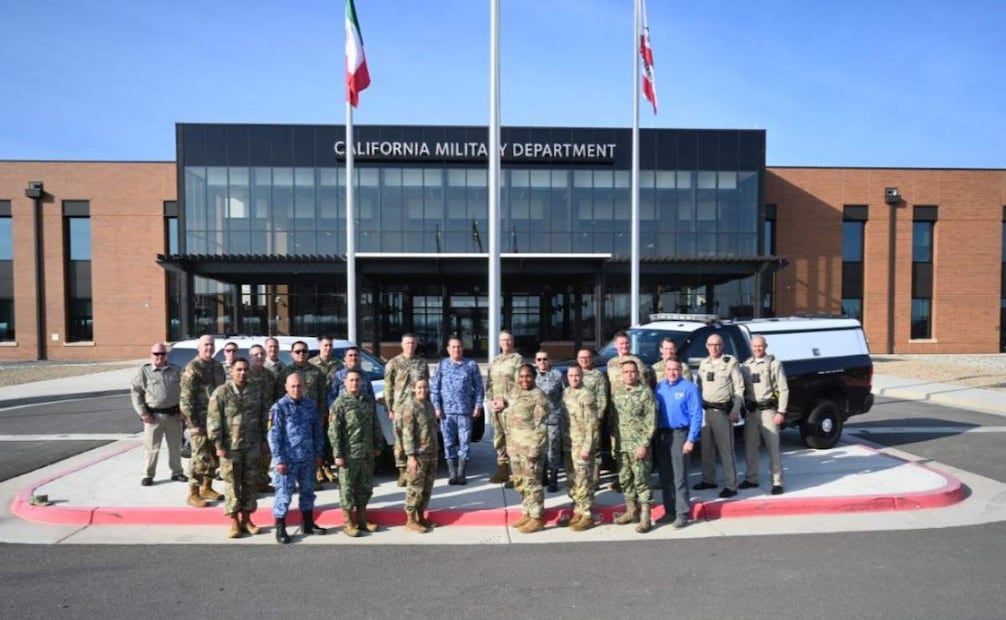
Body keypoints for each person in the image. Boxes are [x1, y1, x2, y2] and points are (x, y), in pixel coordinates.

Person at [207, 358, 269, 538]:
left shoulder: (255, 390)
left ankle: (247, 519)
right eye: (239, 370)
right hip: (230, 447)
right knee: (232, 484)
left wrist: (265, 439)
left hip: (252, 445)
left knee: (250, 484)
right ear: (231, 372)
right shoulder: (221, 392)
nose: (243, 373)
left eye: (245, 370)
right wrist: (218, 444)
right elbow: (213, 420)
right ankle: (234, 521)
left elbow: (265, 415)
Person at [268, 372, 327, 544]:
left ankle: (308, 523)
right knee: (284, 494)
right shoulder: (279, 407)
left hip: (307, 458)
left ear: (304, 386)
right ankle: (280, 527)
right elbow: (273, 435)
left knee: (308, 492)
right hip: (287, 461)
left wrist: (318, 453)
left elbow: (317, 431)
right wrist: (279, 459)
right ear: (286, 387)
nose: (296, 389)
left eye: (299, 386)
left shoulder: (311, 405)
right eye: (293, 386)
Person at [329, 369, 386, 537]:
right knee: (347, 489)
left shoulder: (367, 400)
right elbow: (334, 432)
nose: (354, 383)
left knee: (365, 487)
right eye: (351, 380)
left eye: (357, 380)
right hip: (348, 455)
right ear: (345, 383)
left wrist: (377, 444)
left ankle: (362, 519)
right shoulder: (339, 404)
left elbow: (375, 423)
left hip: (366, 452)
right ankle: (348, 522)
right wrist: (337, 454)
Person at [494, 363, 548, 533]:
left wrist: (535, 449)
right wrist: (500, 403)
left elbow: (541, 427)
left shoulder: (539, 396)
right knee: (521, 483)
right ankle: (526, 512)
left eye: (528, 376)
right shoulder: (516, 392)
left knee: (533, 483)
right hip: (515, 448)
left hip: (530, 449)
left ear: (534, 377)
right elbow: (507, 403)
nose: (524, 380)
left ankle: (537, 517)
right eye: (521, 376)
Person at [694, 333, 745, 498]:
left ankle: (731, 484)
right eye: (711, 345)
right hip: (706, 411)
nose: (714, 348)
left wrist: (735, 410)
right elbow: (700, 387)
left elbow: (739, 388)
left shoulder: (730, 363)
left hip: (723, 412)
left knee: (726, 449)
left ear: (722, 346)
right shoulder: (704, 364)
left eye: (717, 345)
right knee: (706, 449)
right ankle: (709, 480)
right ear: (706, 346)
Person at [654, 359, 703, 528]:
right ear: (665, 370)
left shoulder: (689, 388)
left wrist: (691, 440)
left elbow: (696, 415)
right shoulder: (659, 387)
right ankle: (669, 511)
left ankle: (682, 513)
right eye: (669, 369)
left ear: (680, 371)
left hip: (680, 435)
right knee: (665, 476)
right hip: (663, 435)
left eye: (675, 369)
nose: (672, 372)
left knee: (679, 476)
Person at [130, 342, 187, 486]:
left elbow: (185, 392)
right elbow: (136, 392)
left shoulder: (176, 370)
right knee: (151, 448)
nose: (159, 357)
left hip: (174, 416)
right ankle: (148, 475)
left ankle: (177, 472)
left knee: (175, 447)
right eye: (156, 354)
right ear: (151, 355)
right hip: (153, 417)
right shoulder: (144, 372)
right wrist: (143, 413)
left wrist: (183, 411)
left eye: (162, 354)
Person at [179, 334, 226, 508]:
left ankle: (207, 487)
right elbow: (185, 400)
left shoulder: (217, 366)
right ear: (199, 347)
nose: (209, 348)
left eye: (211, 345)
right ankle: (193, 493)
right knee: (199, 457)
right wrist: (193, 425)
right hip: (199, 422)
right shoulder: (193, 368)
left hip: (216, 421)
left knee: (213, 456)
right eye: (205, 345)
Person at [430, 337, 484, 486]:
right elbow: (435, 389)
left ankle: (461, 473)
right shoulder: (442, 365)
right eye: (453, 347)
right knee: (448, 443)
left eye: (459, 347)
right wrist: (437, 407)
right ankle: (452, 473)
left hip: (465, 412)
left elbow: (479, 387)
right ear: (448, 349)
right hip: (446, 413)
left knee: (464, 443)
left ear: (462, 348)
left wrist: (478, 405)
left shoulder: (471, 365)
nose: (456, 350)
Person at [740, 335, 790, 495]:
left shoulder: (774, 364)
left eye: (760, 346)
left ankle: (777, 481)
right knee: (750, 447)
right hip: (752, 412)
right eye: (755, 346)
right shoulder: (746, 365)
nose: (757, 349)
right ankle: (751, 478)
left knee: (773, 448)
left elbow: (783, 389)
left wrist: (781, 411)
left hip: (769, 411)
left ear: (766, 346)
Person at [612, 360, 657, 534]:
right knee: (625, 480)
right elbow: (614, 421)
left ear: (637, 373)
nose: (629, 375)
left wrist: (644, 444)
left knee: (642, 481)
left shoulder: (645, 393)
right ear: (621, 375)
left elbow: (651, 421)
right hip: (622, 445)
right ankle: (632, 511)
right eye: (626, 372)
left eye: (632, 372)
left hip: (639, 446)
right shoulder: (618, 393)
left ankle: (646, 517)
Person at [277, 341, 329, 485]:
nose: (301, 354)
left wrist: (322, 414)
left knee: (312, 447)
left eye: (304, 351)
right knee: (292, 449)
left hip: (311, 417)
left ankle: (311, 479)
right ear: (292, 353)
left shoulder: (317, 371)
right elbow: (280, 396)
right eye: (298, 351)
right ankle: (290, 481)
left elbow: (322, 394)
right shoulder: (286, 373)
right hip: (291, 419)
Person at [605, 331, 650, 492]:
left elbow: (644, 386)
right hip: (616, 411)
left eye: (627, 343)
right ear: (615, 345)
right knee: (617, 448)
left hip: (633, 411)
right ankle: (622, 479)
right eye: (621, 344)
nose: (624, 346)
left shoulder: (637, 362)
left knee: (633, 450)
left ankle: (637, 481)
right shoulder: (610, 363)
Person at [384, 333, 430, 487]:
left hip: (418, 407)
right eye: (407, 343)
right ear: (402, 345)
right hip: (401, 408)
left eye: (413, 343)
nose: (410, 346)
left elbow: (426, 385)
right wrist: (390, 407)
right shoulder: (393, 363)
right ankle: (403, 471)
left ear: (416, 345)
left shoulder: (422, 363)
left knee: (419, 437)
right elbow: (388, 387)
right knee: (400, 441)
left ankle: (416, 467)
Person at [561, 365, 600, 531]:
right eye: (571, 375)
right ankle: (577, 508)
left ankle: (587, 514)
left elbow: (593, 425)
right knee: (572, 479)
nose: (574, 378)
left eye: (577, 375)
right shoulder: (566, 393)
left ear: (582, 376)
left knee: (584, 479)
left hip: (582, 444)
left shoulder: (587, 395)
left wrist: (587, 447)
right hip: (569, 443)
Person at [399, 378, 439, 533]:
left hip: (431, 453)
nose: (422, 390)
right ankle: (410, 519)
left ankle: (421, 516)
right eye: (419, 388)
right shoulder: (411, 407)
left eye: (425, 387)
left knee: (426, 488)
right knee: (414, 487)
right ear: (414, 389)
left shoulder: (428, 405)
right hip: (418, 455)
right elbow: (407, 433)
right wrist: (411, 456)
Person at [486, 330, 522, 485]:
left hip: (511, 408)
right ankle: (502, 472)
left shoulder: (517, 359)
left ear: (512, 342)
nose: (506, 343)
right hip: (496, 409)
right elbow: (489, 383)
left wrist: (506, 402)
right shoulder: (495, 361)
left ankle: (515, 475)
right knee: (499, 440)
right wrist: (490, 401)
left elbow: (520, 384)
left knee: (513, 441)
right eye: (503, 340)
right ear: (499, 342)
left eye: (508, 340)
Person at [575, 348, 609, 490]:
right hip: (576, 420)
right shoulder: (575, 374)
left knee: (594, 450)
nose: (584, 360)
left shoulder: (598, 376)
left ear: (592, 359)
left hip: (592, 419)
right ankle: (581, 478)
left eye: (587, 357)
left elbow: (602, 397)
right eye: (581, 357)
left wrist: (599, 417)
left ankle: (594, 480)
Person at [247, 343, 276, 493]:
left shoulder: (269, 375)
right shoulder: (245, 374)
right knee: (251, 456)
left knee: (266, 452)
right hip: (249, 421)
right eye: (255, 354)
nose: (259, 357)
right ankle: (250, 487)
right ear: (250, 357)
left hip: (267, 420)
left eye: (261, 354)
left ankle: (263, 481)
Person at [534, 351, 563, 492]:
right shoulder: (531, 376)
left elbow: (565, 395)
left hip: (553, 418)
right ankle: (543, 476)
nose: (542, 362)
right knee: (540, 449)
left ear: (549, 360)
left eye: (545, 359)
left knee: (553, 450)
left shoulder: (557, 375)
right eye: (539, 359)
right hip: (537, 420)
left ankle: (553, 479)